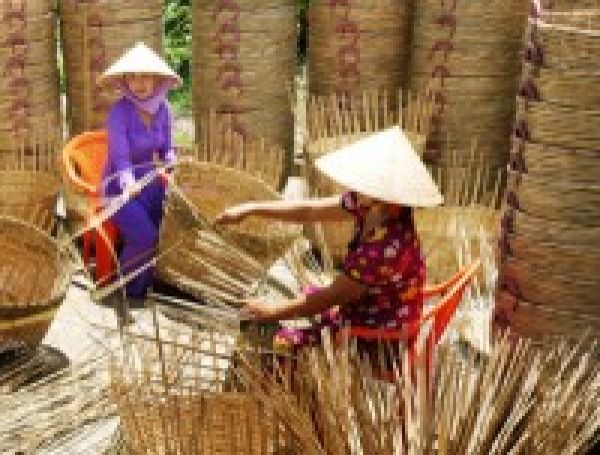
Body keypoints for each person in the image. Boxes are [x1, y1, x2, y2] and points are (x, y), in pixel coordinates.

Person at [216, 126, 443, 353]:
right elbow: (310, 212)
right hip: (373, 307)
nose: (353, 187)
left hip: (378, 334)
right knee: (304, 295)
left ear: (383, 193)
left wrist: (271, 312)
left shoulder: (383, 246)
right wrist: (251, 209)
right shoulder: (371, 205)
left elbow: (331, 297)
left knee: (274, 342)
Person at [98, 42, 182, 300]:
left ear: (157, 78)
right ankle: (130, 291)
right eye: (132, 77)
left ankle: (152, 281)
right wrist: (128, 184)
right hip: (118, 188)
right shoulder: (119, 112)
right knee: (146, 237)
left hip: (150, 183)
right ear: (124, 81)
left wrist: (174, 162)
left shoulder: (165, 110)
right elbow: (121, 158)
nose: (139, 83)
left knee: (169, 228)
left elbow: (167, 148)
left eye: (144, 75)